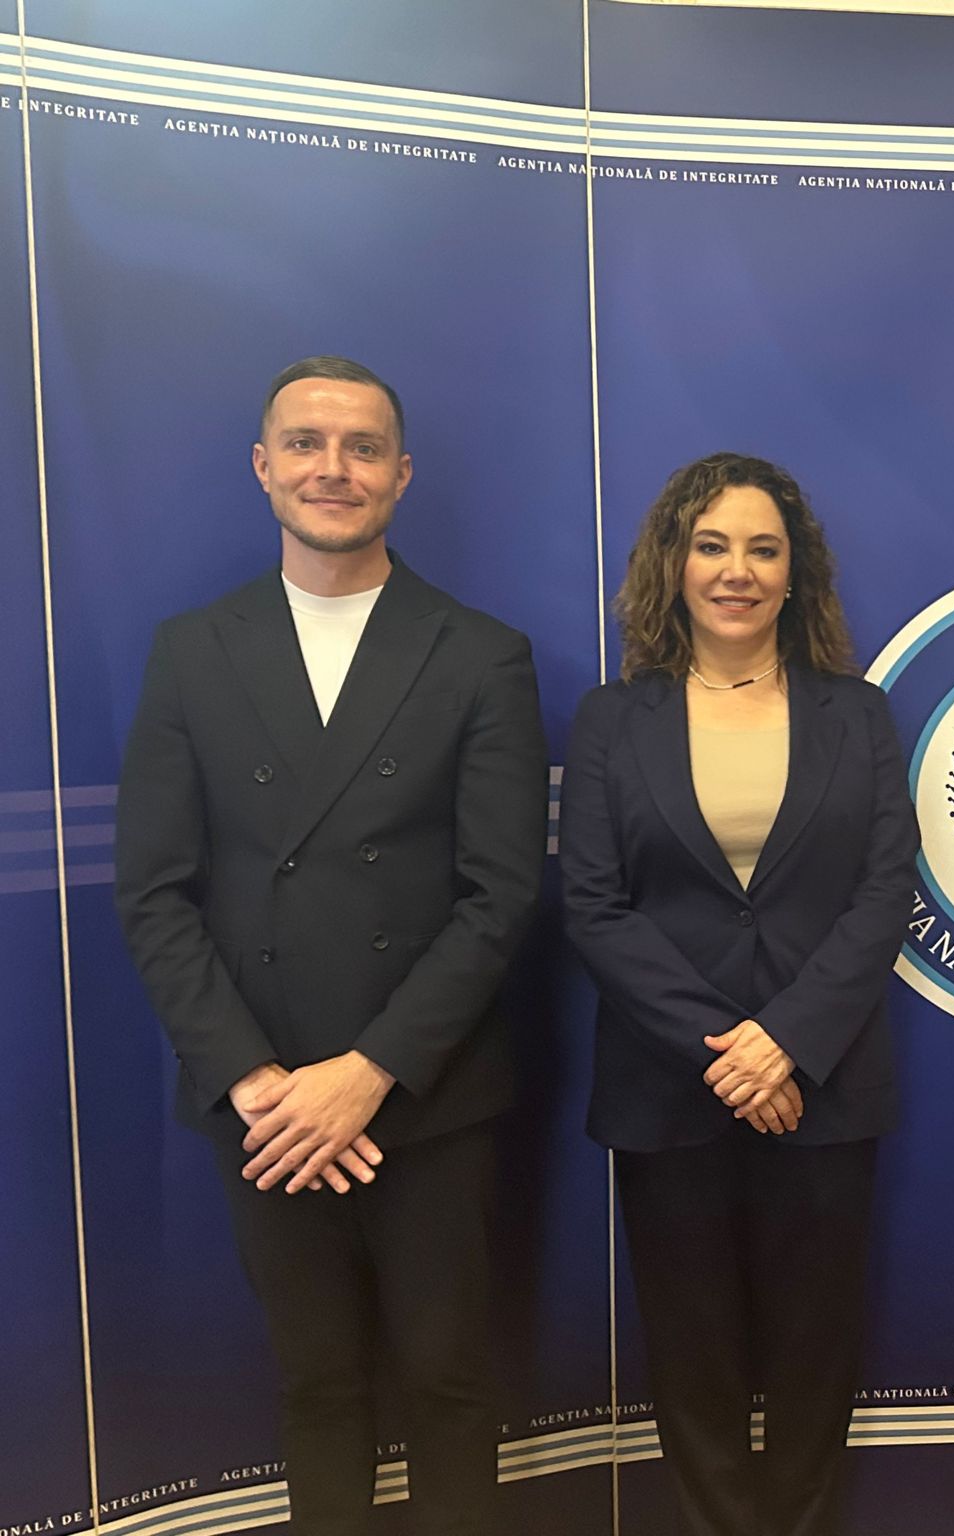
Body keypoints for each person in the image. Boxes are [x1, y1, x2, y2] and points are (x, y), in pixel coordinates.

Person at [114, 356, 549, 1536]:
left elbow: (500, 895)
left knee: (451, 1385)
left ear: (401, 475)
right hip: (264, 1110)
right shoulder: (191, 651)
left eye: (362, 447)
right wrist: (258, 1082)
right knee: (315, 1385)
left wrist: (366, 1075)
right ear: (263, 469)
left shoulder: (479, 653)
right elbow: (154, 893)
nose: (333, 468)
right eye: (305, 443)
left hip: (426, 1092)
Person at [558, 452, 917, 1536]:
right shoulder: (612, 719)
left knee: (816, 1353)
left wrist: (786, 1043)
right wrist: (732, 1050)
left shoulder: (857, 715)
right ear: (673, 563)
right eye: (711, 545)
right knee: (692, 1354)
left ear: (795, 573)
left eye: (763, 549)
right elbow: (594, 907)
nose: (737, 571)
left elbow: (883, 893)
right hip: (670, 1093)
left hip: (822, 1088)